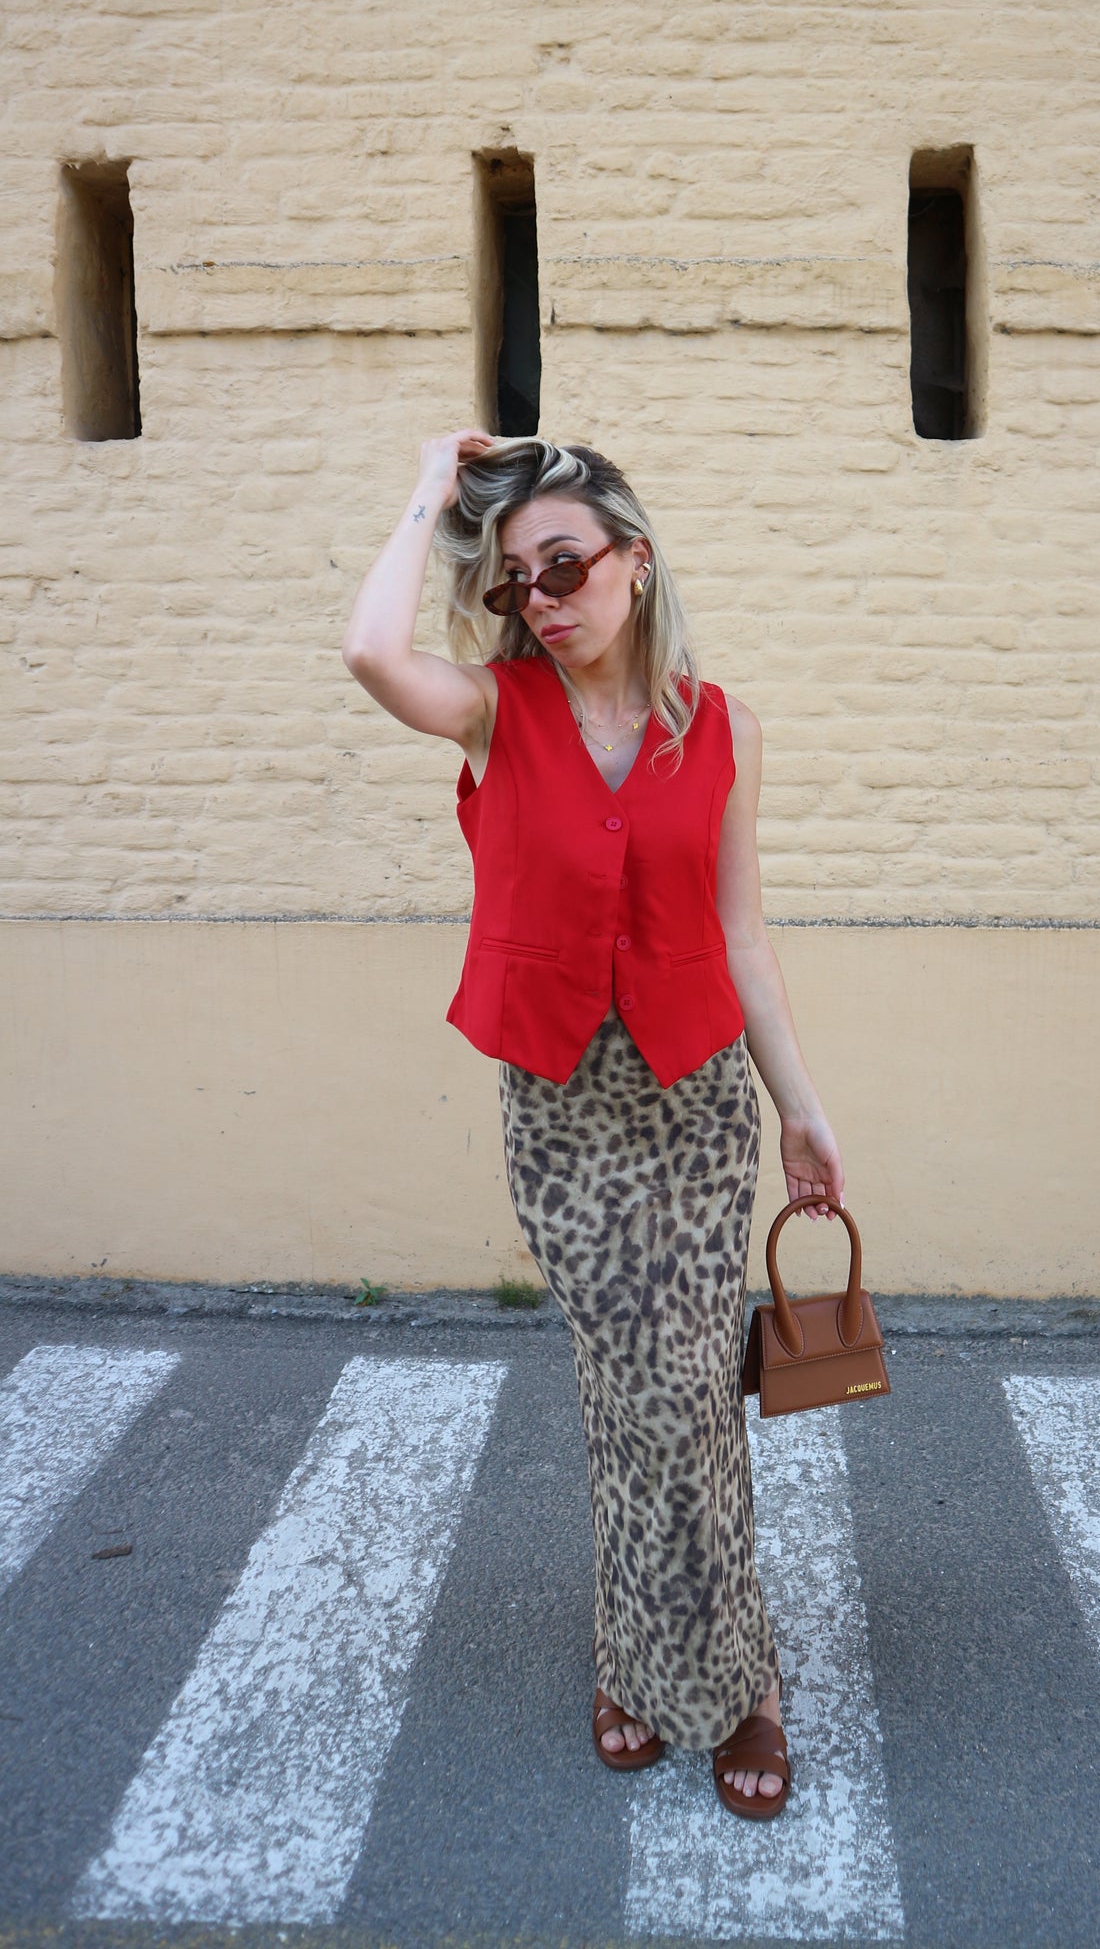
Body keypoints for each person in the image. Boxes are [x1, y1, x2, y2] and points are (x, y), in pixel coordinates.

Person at [341, 430, 845, 1820]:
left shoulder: (719, 725)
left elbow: (742, 933)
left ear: (632, 558)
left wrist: (799, 1109)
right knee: (624, 1393)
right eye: (515, 584)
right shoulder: (498, 712)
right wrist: (426, 493)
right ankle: (635, 1652)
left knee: (688, 1395)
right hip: (562, 1112)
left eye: (564, 565)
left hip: (691, 1108)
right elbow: (372, 653)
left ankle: (741, 1681)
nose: (543, 599)